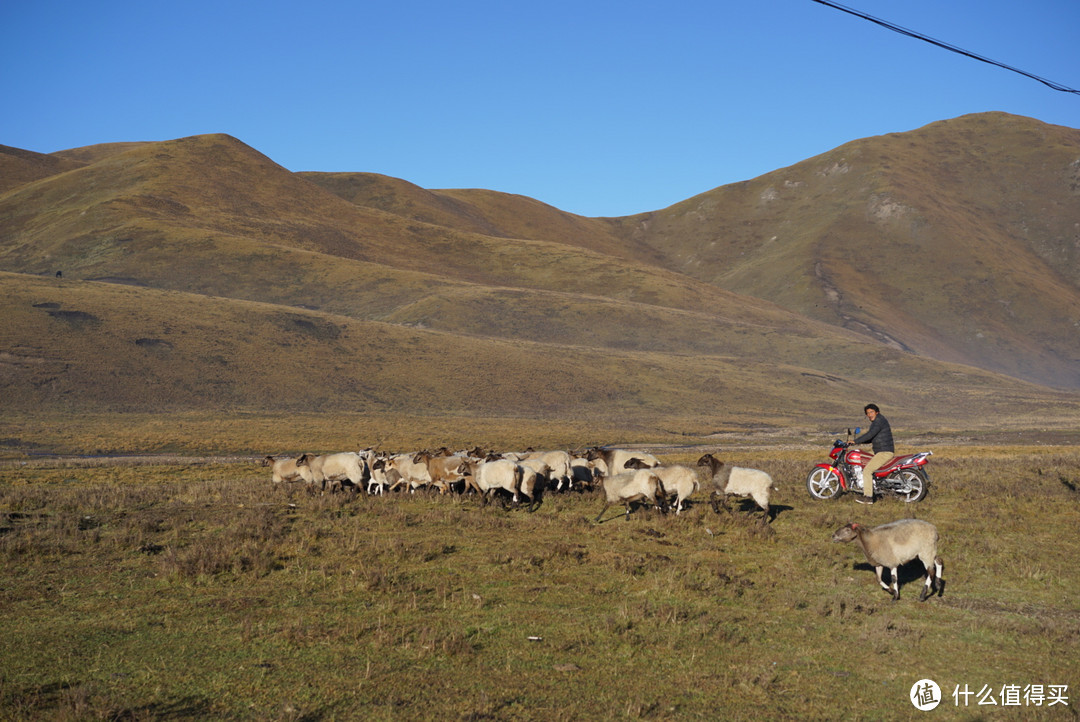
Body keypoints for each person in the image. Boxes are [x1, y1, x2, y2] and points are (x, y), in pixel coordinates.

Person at [852, 403, 894, 504]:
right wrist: (858, 442)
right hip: (880, 450)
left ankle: (868, 497)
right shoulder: (878, 421)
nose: (870, 415)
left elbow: (870, 434)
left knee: (867, 471)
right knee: (863, 459)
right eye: (868, 413)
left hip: (884, 452)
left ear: (877, 412)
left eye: (871, 412)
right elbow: (871, 438)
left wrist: (856, 441)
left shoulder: (878, 421)